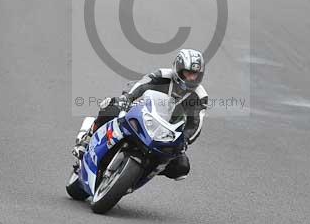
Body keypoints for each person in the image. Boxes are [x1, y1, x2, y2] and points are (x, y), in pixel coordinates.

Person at [73, 49, 208, 180]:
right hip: (142, 114)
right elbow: (141, 85)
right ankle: (86, 139)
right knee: (111, 106)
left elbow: (196, 123)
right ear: (178, 69)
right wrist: (127, 98)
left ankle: (142, 173)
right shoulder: (162, 75)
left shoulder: (200, 96)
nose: (191, 78)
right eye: (187, 73)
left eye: (195, 74)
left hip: (165, 132)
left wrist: (185, 140)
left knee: (181, 168)